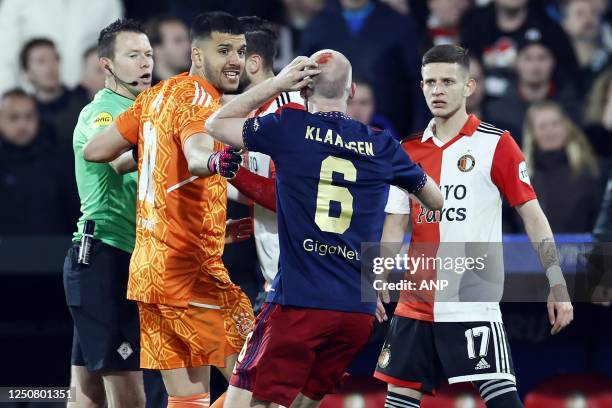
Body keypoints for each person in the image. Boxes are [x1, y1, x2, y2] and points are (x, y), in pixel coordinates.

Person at [205, 50, 443, 408]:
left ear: (302, 89)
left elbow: (215, 124)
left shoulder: (288, 126)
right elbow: (435, 199)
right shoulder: (381, 145)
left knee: (243, 401)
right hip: (355, 313)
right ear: (351, 91)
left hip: (297, 302)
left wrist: (276, 83)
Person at [373, 45, 573, 408]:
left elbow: (533, 215)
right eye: (430, 82)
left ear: (469, 86)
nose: (437, 90)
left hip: (471, 301)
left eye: (448, 81)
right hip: (415, 303)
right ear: (420, 87)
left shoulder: (496, 144)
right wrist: (378, 280)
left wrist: (556, 280)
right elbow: (394, 224)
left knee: (502, 401)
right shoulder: (407, 151)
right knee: (398, 402)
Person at [82, 12, 254, 407]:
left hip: (149, 270)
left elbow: (97, 151)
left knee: (189, 398)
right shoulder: (198, 96)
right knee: (259, 382)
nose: (235, 61)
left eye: (241, 52)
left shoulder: (154, 97)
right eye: (223, 50)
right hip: (189, 269)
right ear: (196, 54)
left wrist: (153, 152)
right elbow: (197, 154)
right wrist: (208, 160)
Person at [63, 19, 154, 408]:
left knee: (87, 394)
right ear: (107, 65)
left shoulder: (145, 108)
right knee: (129, 396)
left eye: (148, 54)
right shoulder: (102, 112)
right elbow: (115, 160)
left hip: (122, 257)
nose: (145, 63)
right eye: (132, 56)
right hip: (105, 257)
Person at [229, 16, 304, 310]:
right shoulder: (255, 113)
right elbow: (263, 190)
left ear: (253, 62)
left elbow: (286, 196)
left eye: (230, 53)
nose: (225, 64)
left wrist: (227, 171)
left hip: (298, 285)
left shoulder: (288, 111)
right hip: (274, 279)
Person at [0, 88, 77, 235]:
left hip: (54, 251)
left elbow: (75, 212)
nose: (22, 124)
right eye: (14, 118)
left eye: (29, 117)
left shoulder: (61, 159)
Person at [522, 101, 601, 233]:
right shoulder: (522, 177)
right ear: (533, 134)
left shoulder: (587, 172)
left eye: (555, 124)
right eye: (542, 126)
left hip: (580, 252)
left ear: (566, 127)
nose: (550, 131)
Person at [19, 38, 89, 146]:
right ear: (26, 72)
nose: (51, 67)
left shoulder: (84, 104)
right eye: (41, 61)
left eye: (55, 59)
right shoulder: (26, 115)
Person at [146, 16, 191, 83]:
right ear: (156, 49)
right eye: (178, 40)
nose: (188, 46)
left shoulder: (195, 85)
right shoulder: (144, 90)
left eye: (188, 39)